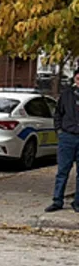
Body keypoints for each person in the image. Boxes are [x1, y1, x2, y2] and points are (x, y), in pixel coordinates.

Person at [48, 70, 79, 212]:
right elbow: (58, 114)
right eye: (78, 78)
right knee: (62, 171)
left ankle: (77, 202)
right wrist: (59, 131)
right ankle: (57, 200)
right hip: (67, 137)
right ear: (75, 78)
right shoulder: (67, 94)